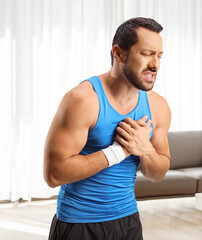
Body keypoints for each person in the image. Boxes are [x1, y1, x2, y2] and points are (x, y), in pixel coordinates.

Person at [43, 17, 171, 240]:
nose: (155, 65)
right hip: (79, 223)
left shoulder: (158, 106)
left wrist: (145, 150)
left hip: (128, 221)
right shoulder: (83, 100)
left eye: (159, 56)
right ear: (118, 53)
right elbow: (53, 175)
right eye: (146, 53)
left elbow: (158, 173)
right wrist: (118, 152)